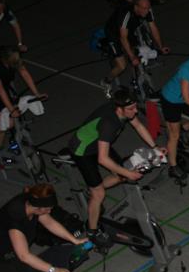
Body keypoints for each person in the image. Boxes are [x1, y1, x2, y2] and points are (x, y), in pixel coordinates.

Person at [67, 89, 168, 246]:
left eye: (135, 106)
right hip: (83, 150)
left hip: (98, 143)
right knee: (100, 193)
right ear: (119, 108)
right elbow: (103, 159)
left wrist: (155, 147)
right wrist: (128, 173)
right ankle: (92, 231)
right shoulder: (109, 123)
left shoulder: (124, 111)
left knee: (121, 175)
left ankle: (90, 190)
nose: (135, 111)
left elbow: (138, 126)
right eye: (131, 108)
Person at [0, 46, 46, 153]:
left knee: (3, 120)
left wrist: (37, 94)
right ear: (5, 61)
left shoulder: (12, 54)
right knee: (9, 121)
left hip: (2, 84)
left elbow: (24, 72)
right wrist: (11, 109)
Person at [100, 0, 170, 96]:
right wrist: (132, 57)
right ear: (136, 6)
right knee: (122, 65)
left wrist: (160, 47)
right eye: (144, 8)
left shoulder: (147, 10)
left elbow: (153, 28)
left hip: (128, 30)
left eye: (148, 8)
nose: (147, 11)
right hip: (114, 33)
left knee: (135, 52)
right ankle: (106, 81)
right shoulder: (126, 14)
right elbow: (123, 38)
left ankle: (135, 79)